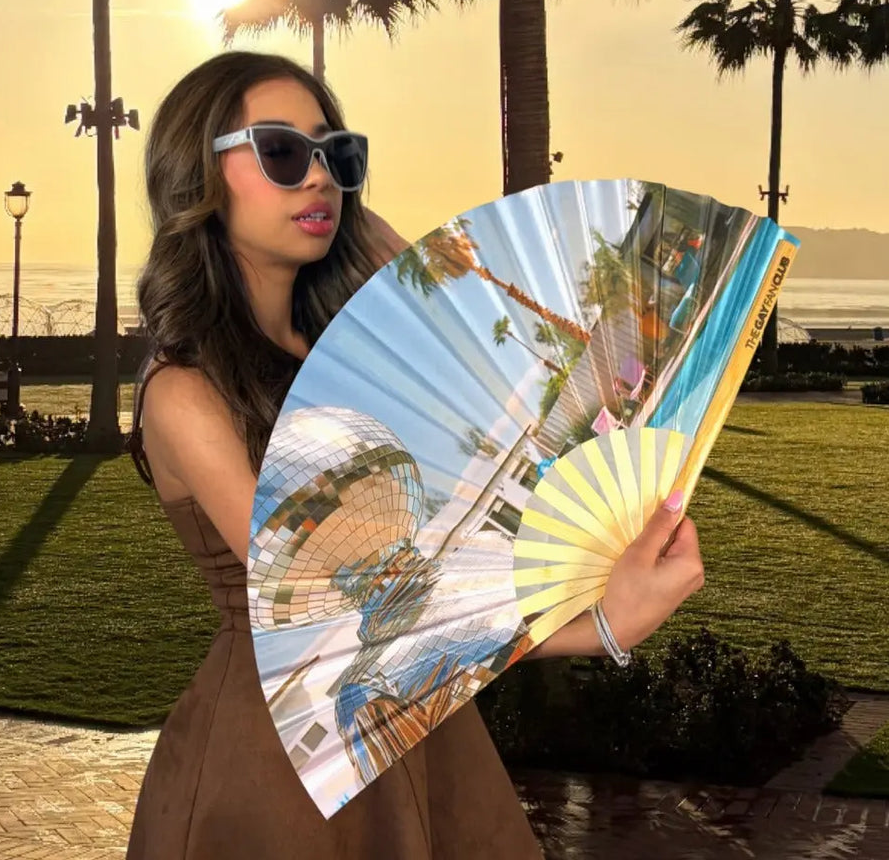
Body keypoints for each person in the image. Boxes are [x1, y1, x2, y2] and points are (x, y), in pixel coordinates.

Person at [125, 51, 705, 859]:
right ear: (199, 175)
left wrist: (356, 220)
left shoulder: (351, 354)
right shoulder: (183, 392)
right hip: (285, 763)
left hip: (421, 726)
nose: (319, 177)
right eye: (283, 152)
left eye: (339, 154)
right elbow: (351, 606)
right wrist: (599, 624)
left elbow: (496, 360)